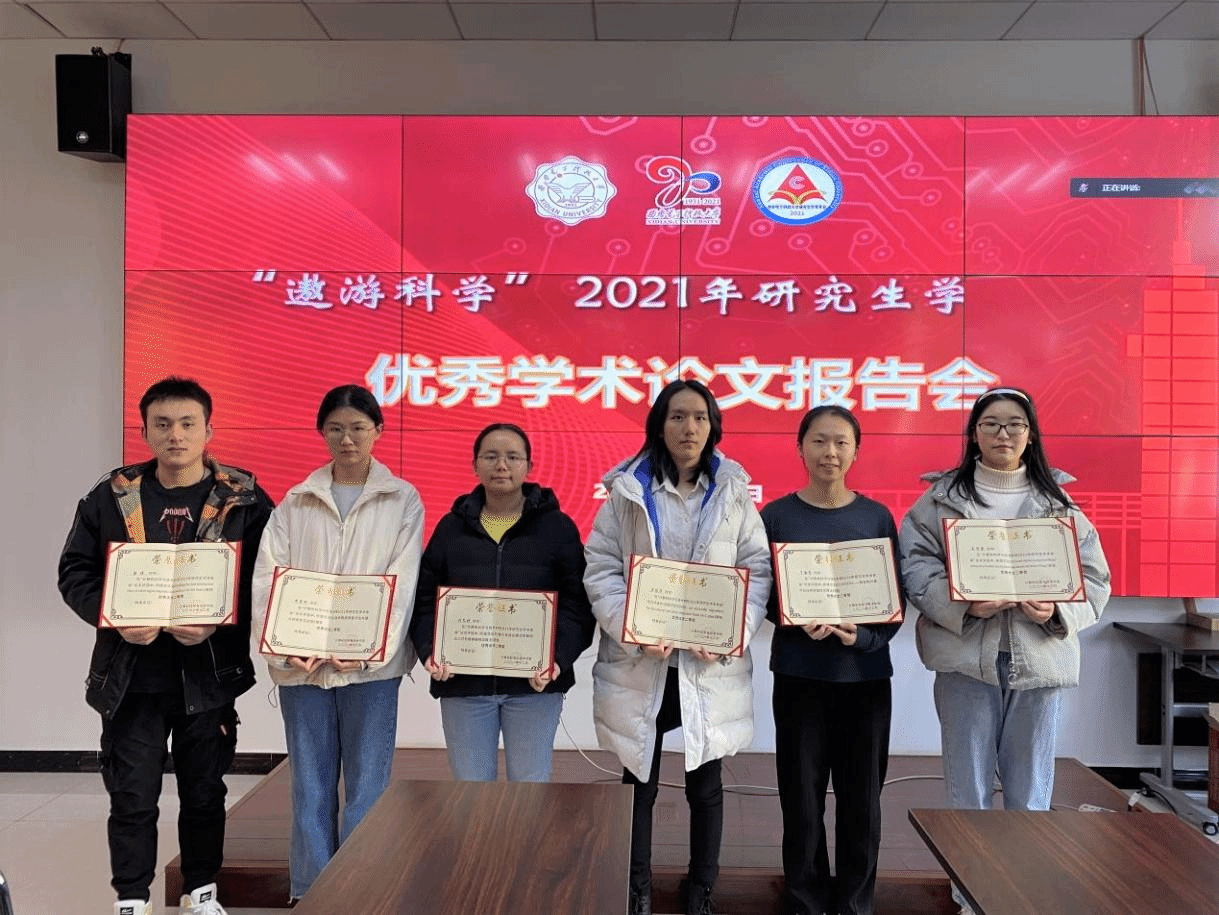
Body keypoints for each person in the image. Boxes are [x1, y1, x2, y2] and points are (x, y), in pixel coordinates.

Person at [58, 377, 274, 915]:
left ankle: (201, 891)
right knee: (132, 796)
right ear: (145, 432)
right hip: (131, 678)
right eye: (162, 424)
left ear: (208, 430)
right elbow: (75, 572)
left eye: (187, 424)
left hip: (209, 675)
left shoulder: (243, 499)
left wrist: (220, 625)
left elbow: (266, 580)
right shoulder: (111, 497)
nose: (175, 435)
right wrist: (114, 618)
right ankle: (132, 899)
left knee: (205, 792)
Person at [899, 386, 1111, 913]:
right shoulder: (940, 500)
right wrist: (965, 604)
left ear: (1030, 435)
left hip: (1040, 660)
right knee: (966, 787)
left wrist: (1056, 610)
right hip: (965, 659)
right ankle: (969, 895)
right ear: (974, 434)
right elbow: (916, 568)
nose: (1003, 433)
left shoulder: (1059, 504)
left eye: (1015, 424)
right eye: (991, 424)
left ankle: (1022, 893)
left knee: (1030, 789)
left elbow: (1095, 581)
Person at [584, 379, 772, 915]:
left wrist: (732, 633)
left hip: (706, 665)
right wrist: (631, 627)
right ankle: (636, 889)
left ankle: (701, 890)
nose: (689, 428)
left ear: (713, 427)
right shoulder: (626, 492)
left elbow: (756, 570)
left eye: (700, 417)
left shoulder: (734, 492)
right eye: (677, 417)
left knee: (706, 783)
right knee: (637, 781)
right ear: (659, 426)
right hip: (642, 661)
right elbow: (601, 568)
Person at [250, 384, 423, 901]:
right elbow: (268, 577)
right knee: (310, 784)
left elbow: (403, 580)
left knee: (368, 785)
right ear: (322, 433)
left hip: (371, 669)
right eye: (336, 429)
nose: (347, 439)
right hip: (302, 667)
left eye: (358, 428)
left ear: (378, 431)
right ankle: (311, 893)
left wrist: (371, 648)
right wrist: (284, 646)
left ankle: (360, 891)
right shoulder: (295, 500)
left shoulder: (402, 499)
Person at [761, 406, 902, 915]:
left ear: (856, 451)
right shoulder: (775, 517)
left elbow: (894, 603)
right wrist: (793, 617)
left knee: (862, 802)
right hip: (799, 675)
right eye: (819, 441)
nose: (830, 452)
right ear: (800, 448)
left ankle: (856, 904)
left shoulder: (876, 518)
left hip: (865, 678)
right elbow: (762, 595)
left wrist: (861, 636)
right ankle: (806, 901)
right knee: (801, 800)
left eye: (841, 442)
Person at [409, 422, 594, 782]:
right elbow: (425, 600)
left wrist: (556, 660)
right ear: (475, 465)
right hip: (464, 684)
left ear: (529, 466)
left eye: (513, 457)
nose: (502, 466)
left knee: (529, 791)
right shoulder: (450, 529)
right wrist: (431, 651)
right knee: (472, 792)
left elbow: (578, 605)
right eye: (491, 456)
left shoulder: (558, 528)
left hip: (533, 686)